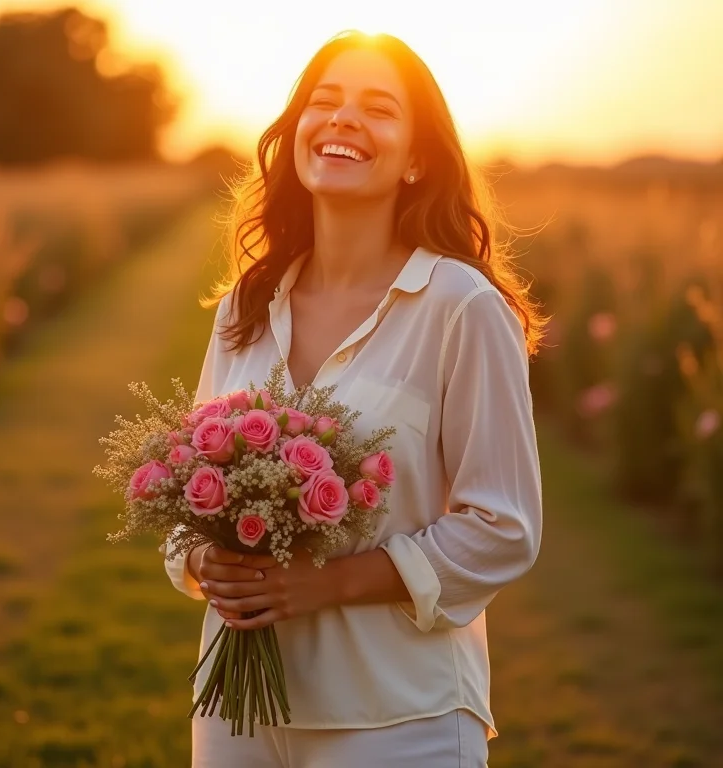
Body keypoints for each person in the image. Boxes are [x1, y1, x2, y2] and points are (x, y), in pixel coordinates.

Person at [163, 29, 545, 768]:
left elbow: (503, 527)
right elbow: (185, 504)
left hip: (400, 714)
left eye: (377, 108)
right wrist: (202, 562)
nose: (341, 119)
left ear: (417, 159)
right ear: (297, 130)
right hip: (236, 713)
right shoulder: (247, 302)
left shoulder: (460, 306)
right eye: (324, 102)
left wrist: (324, 585)